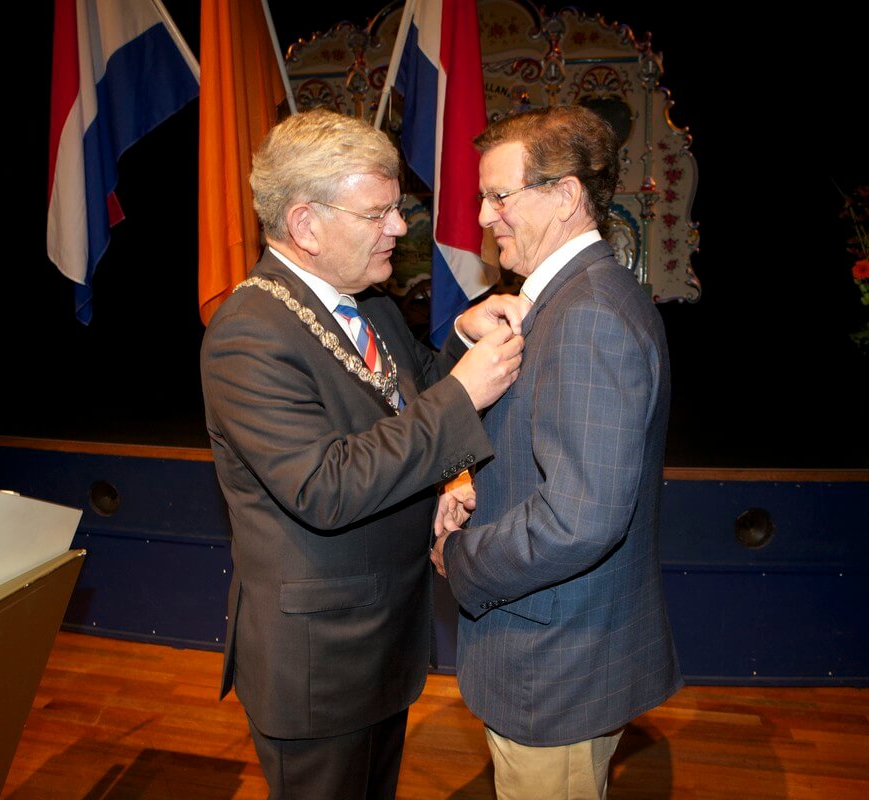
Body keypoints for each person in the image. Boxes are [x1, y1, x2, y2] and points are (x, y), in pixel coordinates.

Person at [200, 108, 527, 799]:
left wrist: (462, 345)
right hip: (318, 666)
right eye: (377, 213)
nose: (400, 228)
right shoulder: (247, 336)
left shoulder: (367, 305)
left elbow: (412, 406)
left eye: (397, 209)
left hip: (379, 638)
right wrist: (462, 395)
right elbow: (326, 487)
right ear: (306, 225)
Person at [431, 104, 683, 799]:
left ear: (567, 195)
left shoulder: (587, 314)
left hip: (554, 665)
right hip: (562, 647)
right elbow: (549, 452)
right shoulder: (572, 299)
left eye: (498, 196)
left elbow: (580, 517)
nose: (483, 217)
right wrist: (477, 486)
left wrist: (462, 556)